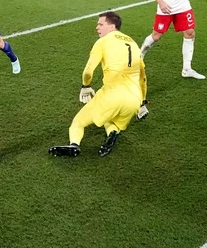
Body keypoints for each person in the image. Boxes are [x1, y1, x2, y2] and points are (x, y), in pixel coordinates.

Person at [49, 12, 148, 158]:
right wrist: (143, 102)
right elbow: (143, 78)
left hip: (112, 95)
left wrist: (85, 86)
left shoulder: (103, 42)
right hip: (133, 100)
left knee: (78, 122)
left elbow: (88, 71)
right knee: (111, 121)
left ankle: (74, 145)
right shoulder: (133, 44)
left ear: (112, 26)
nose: (97, 27)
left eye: (101, 24)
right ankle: (113, 134)